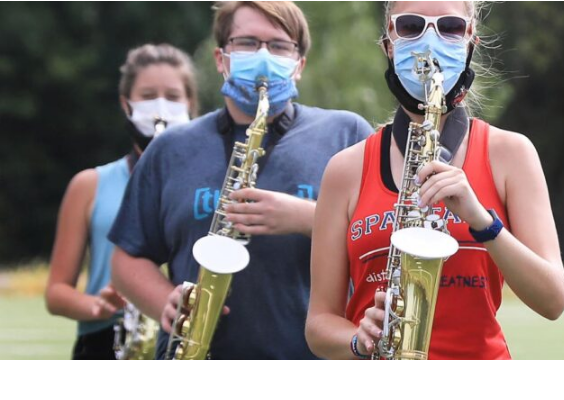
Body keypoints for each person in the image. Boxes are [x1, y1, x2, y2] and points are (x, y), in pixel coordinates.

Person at [109, 1, 374, 360]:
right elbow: (127, 258)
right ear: (221, 59)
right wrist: (164, 303)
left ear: (299, 65)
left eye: (279, 45)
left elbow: (381, 242)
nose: (263, 55)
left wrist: (308, 218)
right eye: (247, 43)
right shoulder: (170, 148)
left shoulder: (347, 133)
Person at [306, 1, 564, 360]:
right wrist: (358, 339)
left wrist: (482, 221)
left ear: (470, 41)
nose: (430, 40)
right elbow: (319, 324)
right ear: (388, 45)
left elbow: (553, 300)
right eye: (411, 26)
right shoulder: (345, 170)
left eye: (450, 27)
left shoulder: (511, 153)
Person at [45, 44, 198, 360]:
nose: (160, 107)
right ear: (125, 104)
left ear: (190, 104)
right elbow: (56, 292)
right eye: (147, 96)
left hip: (188, 337)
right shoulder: (90, 184)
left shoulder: (209, 185)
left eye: (172, 97)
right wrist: (96, 307)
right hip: (106, 340)